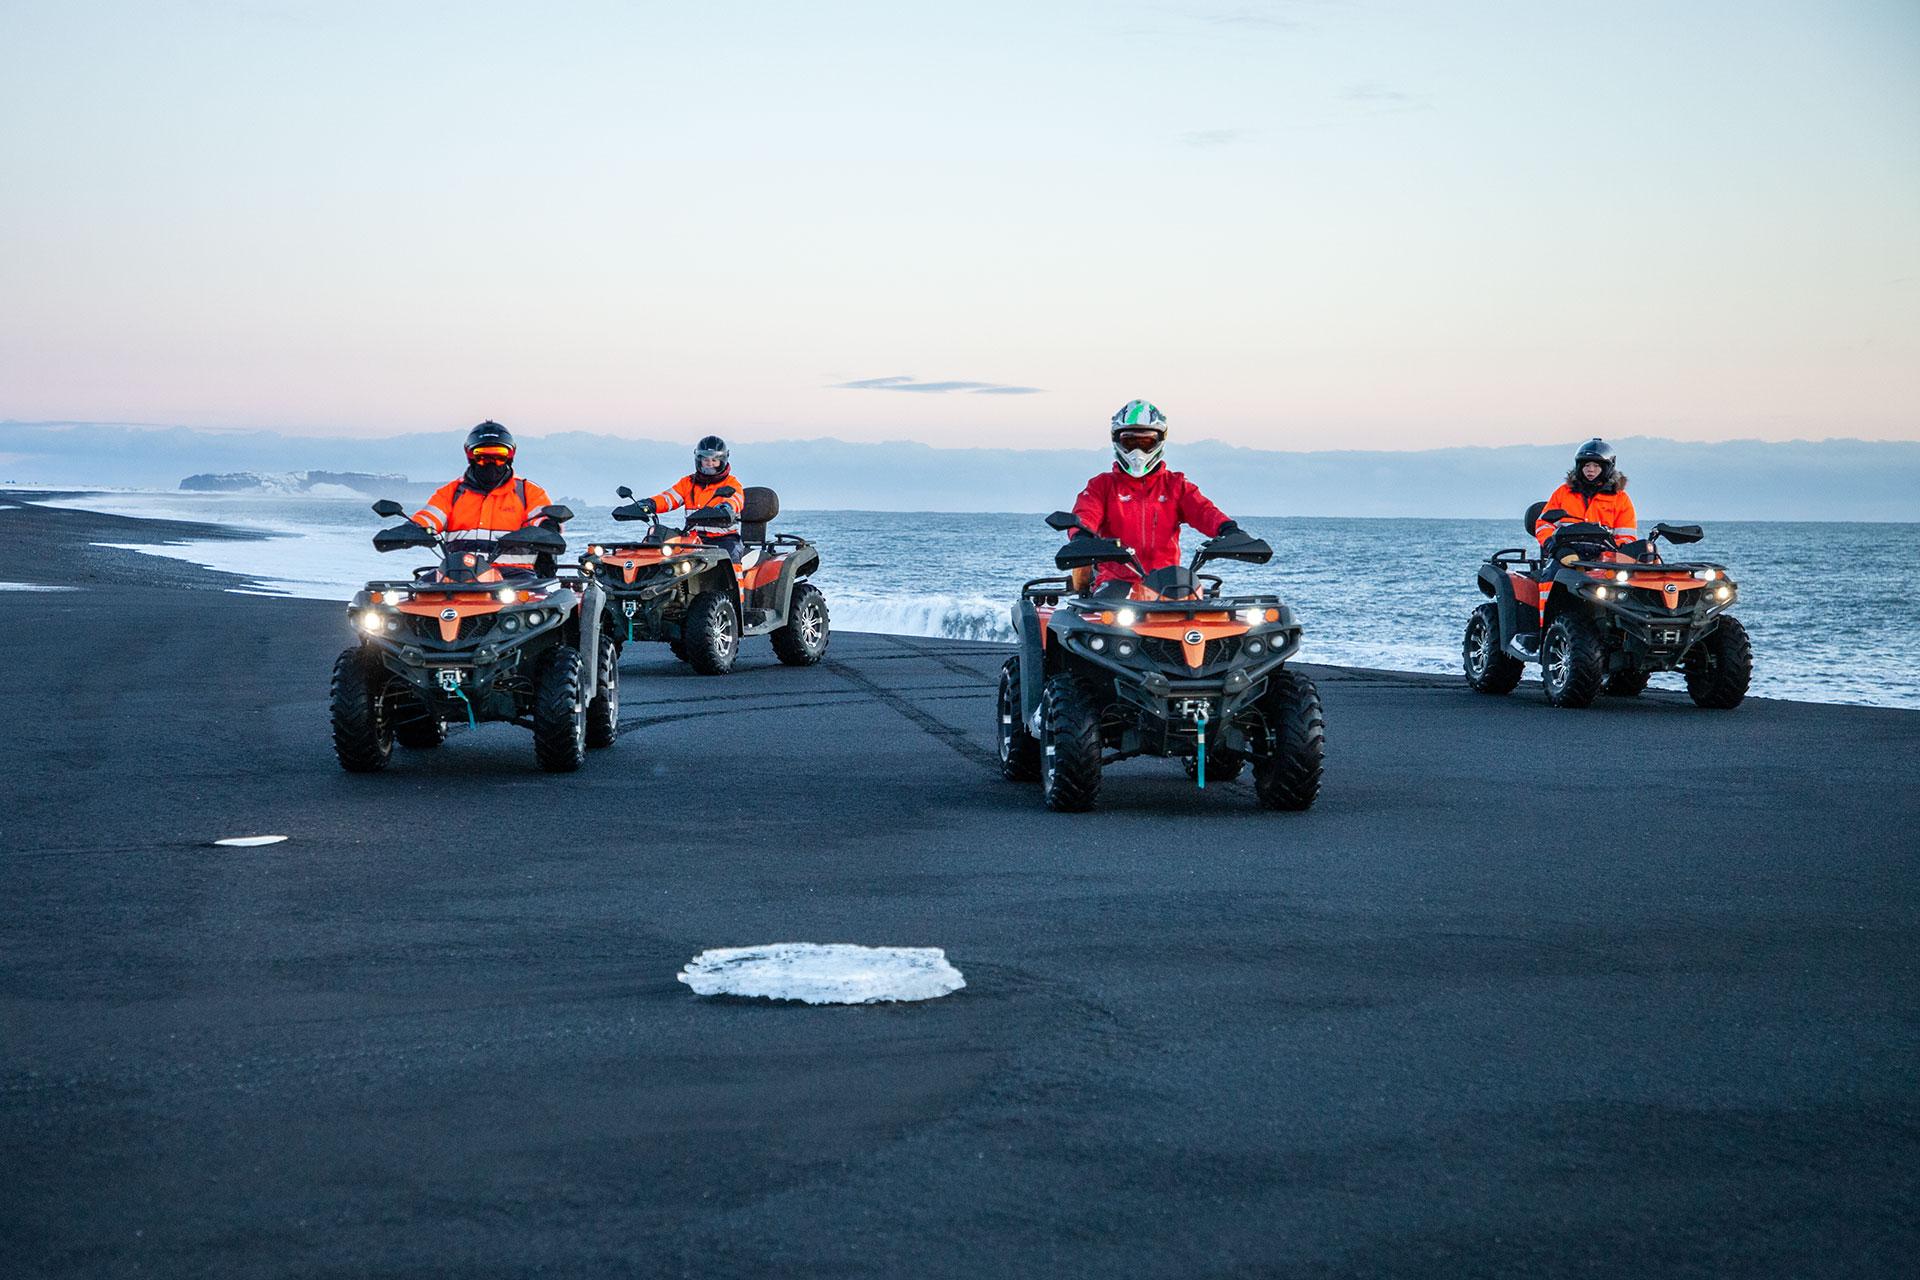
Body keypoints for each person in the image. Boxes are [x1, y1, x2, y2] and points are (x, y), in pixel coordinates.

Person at [1068, 400, 1241, 594]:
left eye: (1145, 442)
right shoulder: (1101, 486)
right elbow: (1086, 513)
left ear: (1159, 441)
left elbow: (1204, 511)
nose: (1137, 451)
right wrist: (1081, 536)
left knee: (1205, 613)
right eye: (1130, 441)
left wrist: (1229, 530)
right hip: (1116, 582)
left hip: (1169, 584)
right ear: (1117, 441)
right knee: (1107, 615)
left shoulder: (1176, 485)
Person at [410, 421, 560, 573]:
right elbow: (429, 517)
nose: (491, 462)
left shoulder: (528, 492)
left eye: (499, 456)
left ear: (510, 456)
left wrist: (548, 527)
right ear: (470, 456)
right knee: (421, 587)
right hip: (459, 576)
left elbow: (542, 515)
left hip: (515, 578)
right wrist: (410, 529)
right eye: (482, 456)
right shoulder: (452, 492)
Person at [628, 435, 747, 560]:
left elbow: (735, 499)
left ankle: (737, 580)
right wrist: (649, 504)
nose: (710, 464)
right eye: (706, 460)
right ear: (699, 460)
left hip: (724, 538)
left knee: (730, 556)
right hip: (693, 539)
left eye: (714, 460)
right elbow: (668, 498)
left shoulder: (731, 483)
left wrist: (726, 508)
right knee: (665, 556)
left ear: (722, 461)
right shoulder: (688, 482)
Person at [1534, 438, 1637, 562]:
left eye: (1596, 466)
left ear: (1607, 468)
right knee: (1551, 579)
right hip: (1566, 556)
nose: (1591, 470)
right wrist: (1555, 547)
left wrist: (1608, 552)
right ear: (1579, 467)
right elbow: (1543, 524)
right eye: (1586, 465)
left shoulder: (1620, 499)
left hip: (1604, 561)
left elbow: (1627, 537)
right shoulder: (1563, 492)